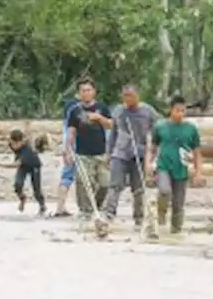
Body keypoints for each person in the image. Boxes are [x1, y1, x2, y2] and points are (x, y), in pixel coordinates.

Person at [98, 83, 158, 231]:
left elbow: (156, 132)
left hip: (140, 153)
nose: (127, 99)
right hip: (120, 152)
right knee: (115, 185)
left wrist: (153, 154)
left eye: (130, 95)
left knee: (138, 189)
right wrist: (109, 153)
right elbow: (113, 133)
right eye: (125, 96)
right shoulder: (119, 111)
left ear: (137, 95)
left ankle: (138, 218)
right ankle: (109, 215)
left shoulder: (148, 111)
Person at [145, 95, 202, 237]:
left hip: (181, 168)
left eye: (183, 111)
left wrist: (198, 172)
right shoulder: (160, 127)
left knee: (178, 204)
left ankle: (176, 231)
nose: (180, 114)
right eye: (177, 110)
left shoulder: (191, 129)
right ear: (170, 110)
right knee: (164, 191)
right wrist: (148, 163)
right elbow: (152, 148)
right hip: (163, 166)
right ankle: (161, 213)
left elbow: (197, 152)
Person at [64, 77, 112, 218]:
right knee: (84, 183)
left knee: (105, 183)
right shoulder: (74, 111)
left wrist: (99, 118)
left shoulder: (102, 107)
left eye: (89, 90)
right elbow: (71, 132)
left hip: (101, 152)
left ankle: (96, 206)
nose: (86, 93)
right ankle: (85, 211)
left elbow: (111, 125)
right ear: (79, 93)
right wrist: (68, 151)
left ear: (94, 91)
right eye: (83, 91)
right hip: (82, 153)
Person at [51, 90, 82, 217]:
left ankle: (60, 207)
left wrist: (66, 150)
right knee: (72, 178)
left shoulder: (68, 120)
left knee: (67, 177)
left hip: (72, 149)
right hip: (78, 149)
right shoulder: (77, 114)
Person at [8, 129, 47, 215]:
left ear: (22, 142)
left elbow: (16, 164)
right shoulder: (11, 143)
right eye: (13, 143)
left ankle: (42, 205)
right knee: (18, 184)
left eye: (17, 144)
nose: (14, 146)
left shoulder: (27, 148)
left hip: (34, 165)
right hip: (23, 165)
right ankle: (22, 198)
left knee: (36, 190)